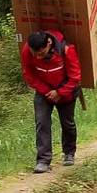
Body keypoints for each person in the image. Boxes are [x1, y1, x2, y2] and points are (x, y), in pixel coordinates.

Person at [21, 29, 82, 173]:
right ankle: (43, 160)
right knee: (42, 122)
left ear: (49, 43)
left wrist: (59, 92)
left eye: (41, 54)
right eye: (35, 54)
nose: (37, 57)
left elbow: (75, 77)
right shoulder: (27, 51)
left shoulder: (66, 50)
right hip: (44, 92)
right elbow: (28, 74)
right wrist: (46, 91)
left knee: (67, 123)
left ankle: (69, 153)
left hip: (65, 92)